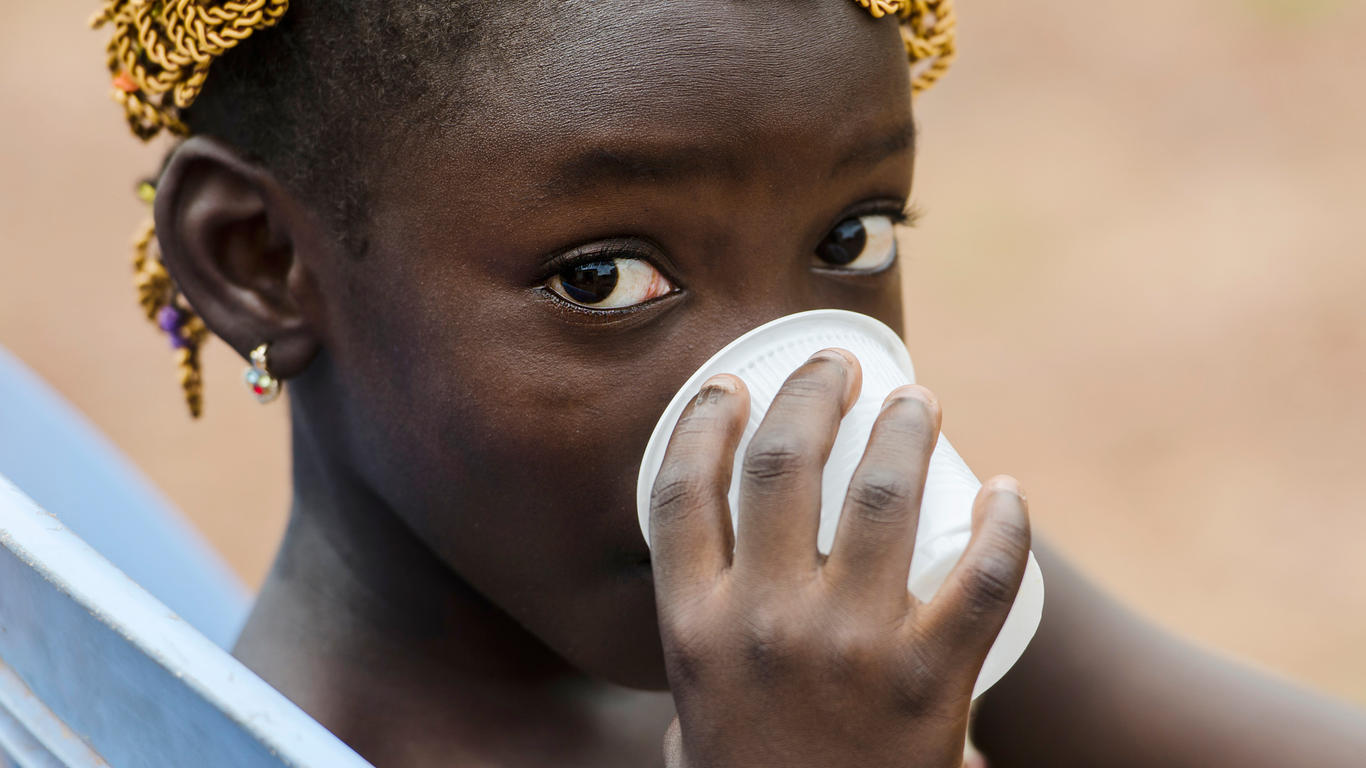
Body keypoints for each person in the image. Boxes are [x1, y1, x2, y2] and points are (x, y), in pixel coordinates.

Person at [87, 0, 1366, 765]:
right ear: (255, 260)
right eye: (601, 280)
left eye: (850, 239)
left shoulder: (853, 600)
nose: (786, 397)